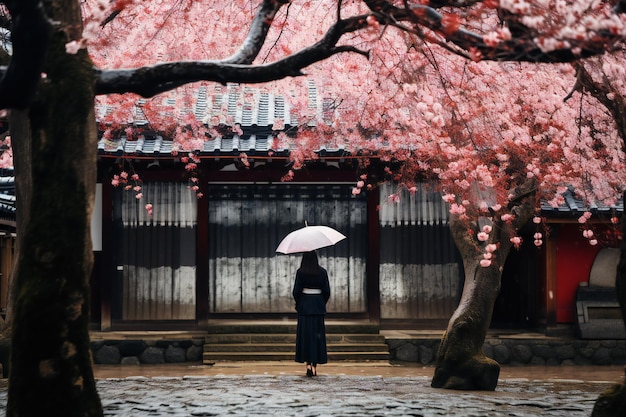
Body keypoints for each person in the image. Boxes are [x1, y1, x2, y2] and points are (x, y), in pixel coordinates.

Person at [292, 250, 330, 377]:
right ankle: (314, 365)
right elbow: (326, 291)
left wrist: (299, 303)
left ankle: (308, 364)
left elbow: (296, 291)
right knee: (317, 337)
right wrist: (320, 302)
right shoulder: (322, 272)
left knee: (306, 337)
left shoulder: (301, 272)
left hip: (305, 307)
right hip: (318, 307)